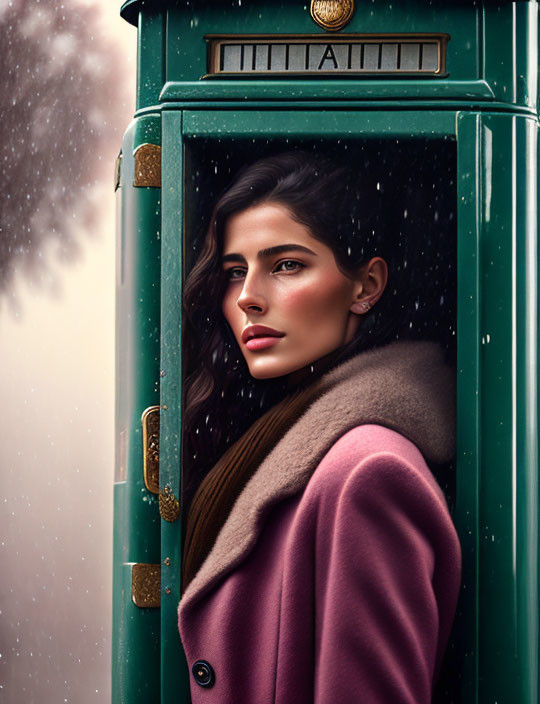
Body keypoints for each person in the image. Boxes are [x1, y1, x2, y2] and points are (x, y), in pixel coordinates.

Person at [178, 151, 460, 703]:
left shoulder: (368, 474)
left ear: (366, 286)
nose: (247, 298)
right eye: (235, 271)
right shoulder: (295, 438)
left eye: (286, 265)